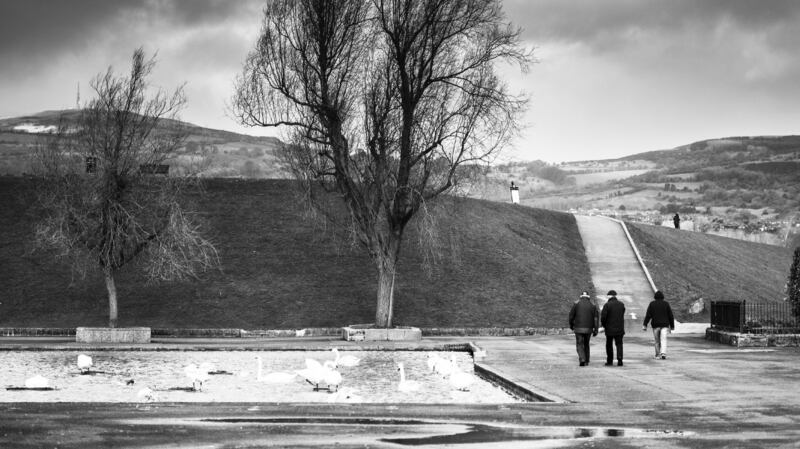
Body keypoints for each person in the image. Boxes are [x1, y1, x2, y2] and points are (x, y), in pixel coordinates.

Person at [569, 291, 599, 366]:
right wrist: (596, 329)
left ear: (581, 296)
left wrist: (571, 325)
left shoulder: (576, 304)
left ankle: (582, 358)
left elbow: (571, 316)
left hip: (578, 328)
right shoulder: (593, 305)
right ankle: (587, 360)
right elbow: (596, 318)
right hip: (588, 328)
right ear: (588, 297)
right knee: (586, 344)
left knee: (579, 344)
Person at [642, 290, 675, 359]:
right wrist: (672, 326)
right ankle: (663, 353)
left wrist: (645, 325)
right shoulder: (666, 304)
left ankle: (657, 355)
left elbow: (648, 315)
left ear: (655, 297)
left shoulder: (652, 304)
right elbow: (670, 316)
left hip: (655, 325)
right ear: (662, 297)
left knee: (657, 341)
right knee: (663, 339)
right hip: (664, 325)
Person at [600, 290, 626, 366]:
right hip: (619, 328)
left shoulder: (607, 305)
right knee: (619, 344)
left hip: (609, 328)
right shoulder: (621, 304)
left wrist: (604, 325)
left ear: (609, 296)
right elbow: (622, 313)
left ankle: (610, 360)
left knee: (609, 344)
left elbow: (603, 317)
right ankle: (620, 359)